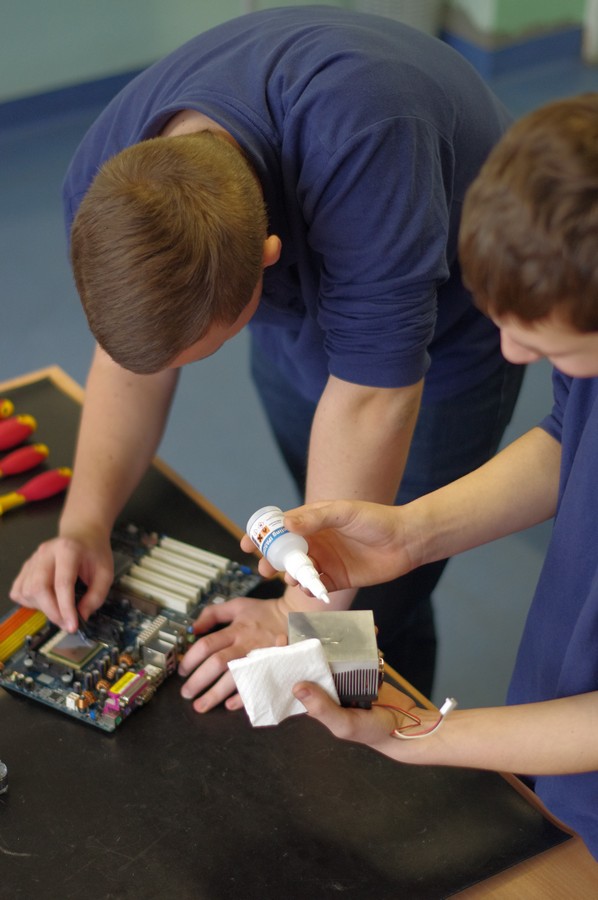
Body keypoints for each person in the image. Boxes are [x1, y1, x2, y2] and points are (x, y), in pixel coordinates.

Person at [9, 6, 523, 705]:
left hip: (453, 319)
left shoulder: (367, 146)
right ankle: (357, 662)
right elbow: (131, 362)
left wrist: (297, 616)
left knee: (380, 590)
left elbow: (372, 399)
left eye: (202, 348)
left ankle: (381, 724)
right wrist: (84, 526)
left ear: (267, 259)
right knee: (329, 541)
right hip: (307, 313)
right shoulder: (106, 183)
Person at [246, 94, 598, 858]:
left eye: (551, 347)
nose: (511, 357)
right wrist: (411, 535)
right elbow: (572, 438)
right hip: (559, 737)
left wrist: (417, 735)